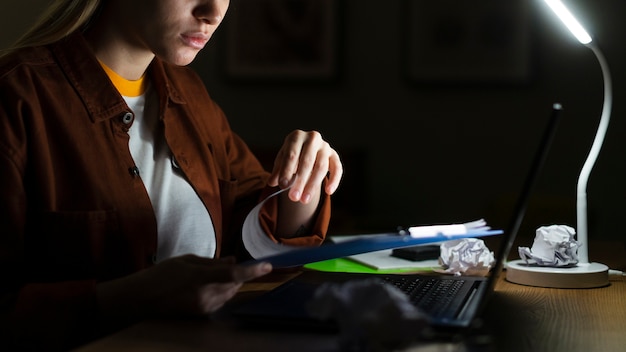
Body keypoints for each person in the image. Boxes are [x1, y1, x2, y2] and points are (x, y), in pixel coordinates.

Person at [0, 0, 343, 350]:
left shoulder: (190, 96)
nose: (213, 12)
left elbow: (253, 229)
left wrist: (304, 181)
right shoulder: (15, 100)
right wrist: (132, 295)